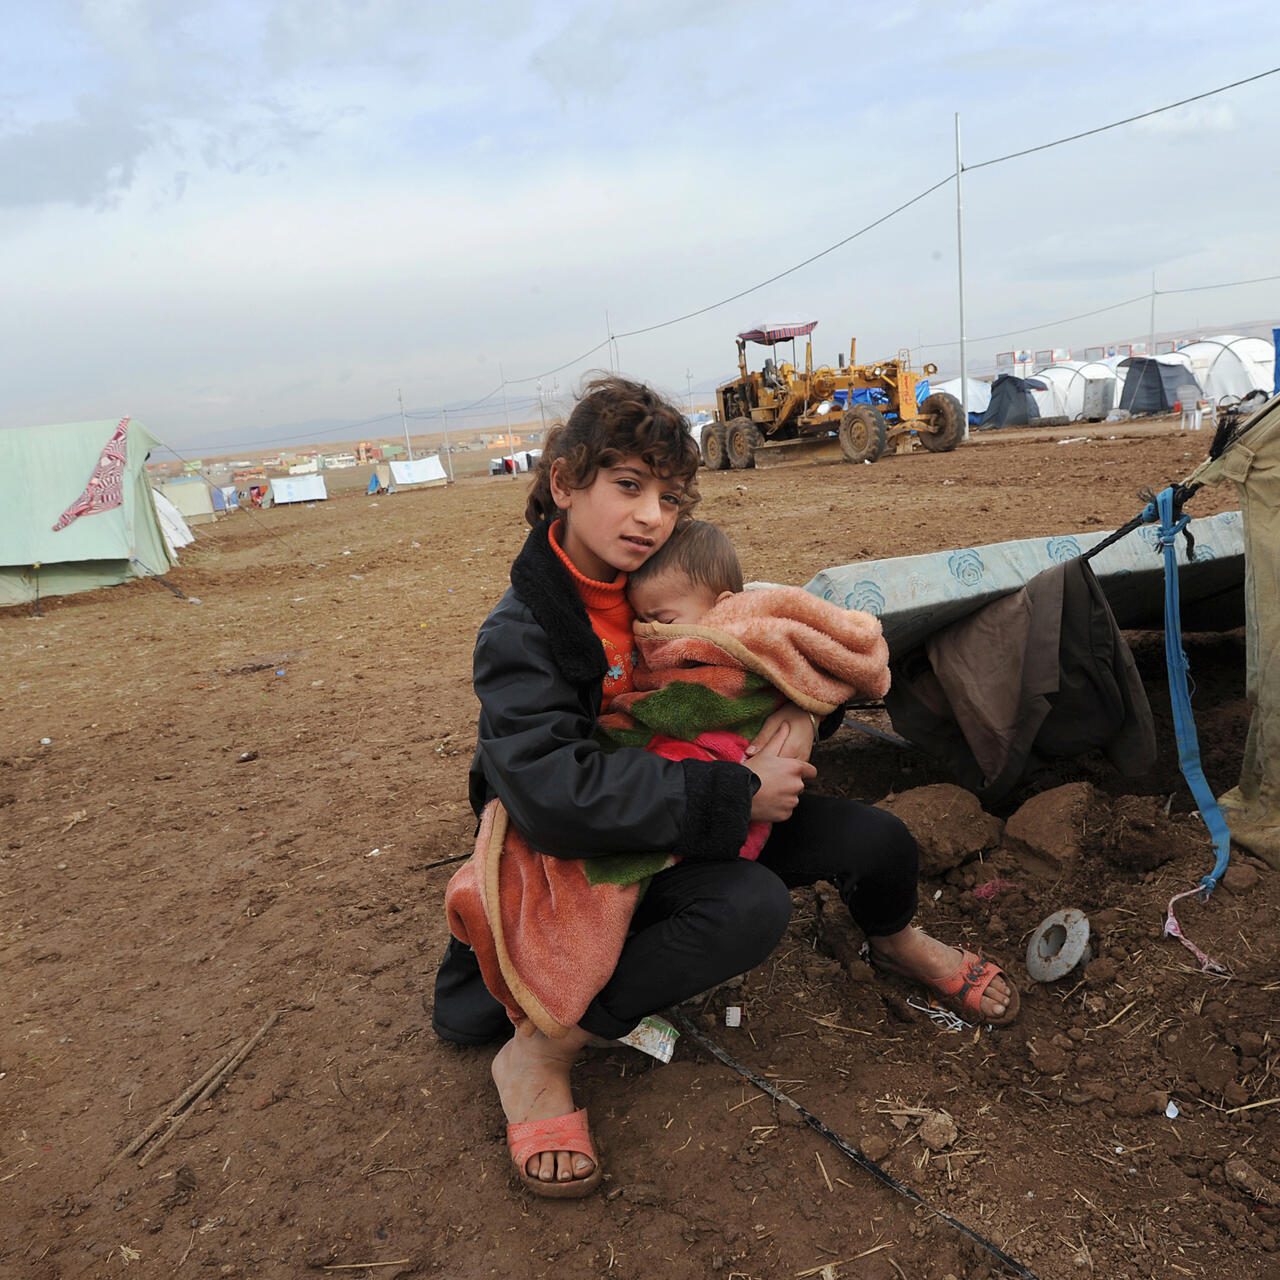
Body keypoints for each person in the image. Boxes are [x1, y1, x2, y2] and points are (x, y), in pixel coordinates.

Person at [432, 374, 1017, 1199]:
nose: (651, 516)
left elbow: (753, 660)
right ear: (563, 482)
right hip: (595, 849)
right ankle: (541, 1053)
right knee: (748, 909)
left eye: (669, 497)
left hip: (703, 804)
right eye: (628, 486)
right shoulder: (524, 631)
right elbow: (553, 793)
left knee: (881, 842)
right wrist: (735, 794)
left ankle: (894, 941)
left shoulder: (663, 575)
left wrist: (804, 715)